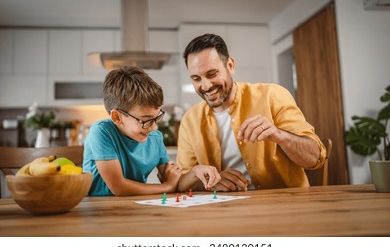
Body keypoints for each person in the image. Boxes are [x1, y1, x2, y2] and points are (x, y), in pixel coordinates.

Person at [177, 33, 326, 192]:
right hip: (225, 210)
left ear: (231, 66)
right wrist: (210, 182)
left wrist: (279, 135)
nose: (205, 86)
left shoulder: (273, 96)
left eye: (212, 74)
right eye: (196, 79)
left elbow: (314, 158)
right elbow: (182, 181)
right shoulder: (190, 120)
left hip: (282, 206)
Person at [83, 67, 182, 196]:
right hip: (99, 209)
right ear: (117, 117)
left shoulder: (155, 138)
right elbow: (119, 188)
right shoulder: (101, 131)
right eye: (146, 120)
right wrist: (167, 186)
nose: (154, 128)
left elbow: (172, 177)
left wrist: (196, 171)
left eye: (157, 117)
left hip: (136, 205)